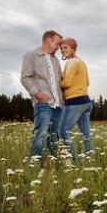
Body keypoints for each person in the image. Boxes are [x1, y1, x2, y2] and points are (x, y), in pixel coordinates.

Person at [21, 30, 64, 164]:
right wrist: (39, 95)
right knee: (39, 136)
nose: (58, 47)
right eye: (57, 44)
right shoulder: (31, 55)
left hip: (58, 105)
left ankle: (52, 165)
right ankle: (34, 166)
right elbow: (25, 78)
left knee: (54, 137)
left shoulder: (55, 60)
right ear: (49, 40)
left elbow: (60, 81)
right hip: (44, 104)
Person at [58, 37, 93, 161]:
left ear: (73, 49)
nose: (62, 50)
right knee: (86, 134)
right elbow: (87, 83)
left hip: (75, 102)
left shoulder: (72, 62)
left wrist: (58, 83)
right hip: (86, 102)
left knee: (62, 131)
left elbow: (67, 83)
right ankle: (89, 159)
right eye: (61, 48)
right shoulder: (81, 62)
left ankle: (74, 161)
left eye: (65, 47)